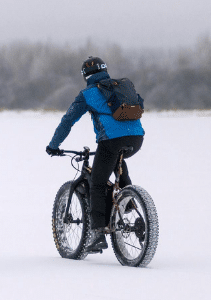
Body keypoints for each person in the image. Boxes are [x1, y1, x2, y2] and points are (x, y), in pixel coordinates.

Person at [46, 56, 145, 253]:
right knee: (117, 164)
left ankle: (98, 233)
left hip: (110, 141)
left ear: (85, 75)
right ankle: (129, 203)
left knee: (97, 182)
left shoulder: (88, 94)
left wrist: (53, 145)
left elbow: (68, 121)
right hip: (136, 138)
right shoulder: (119, 87)